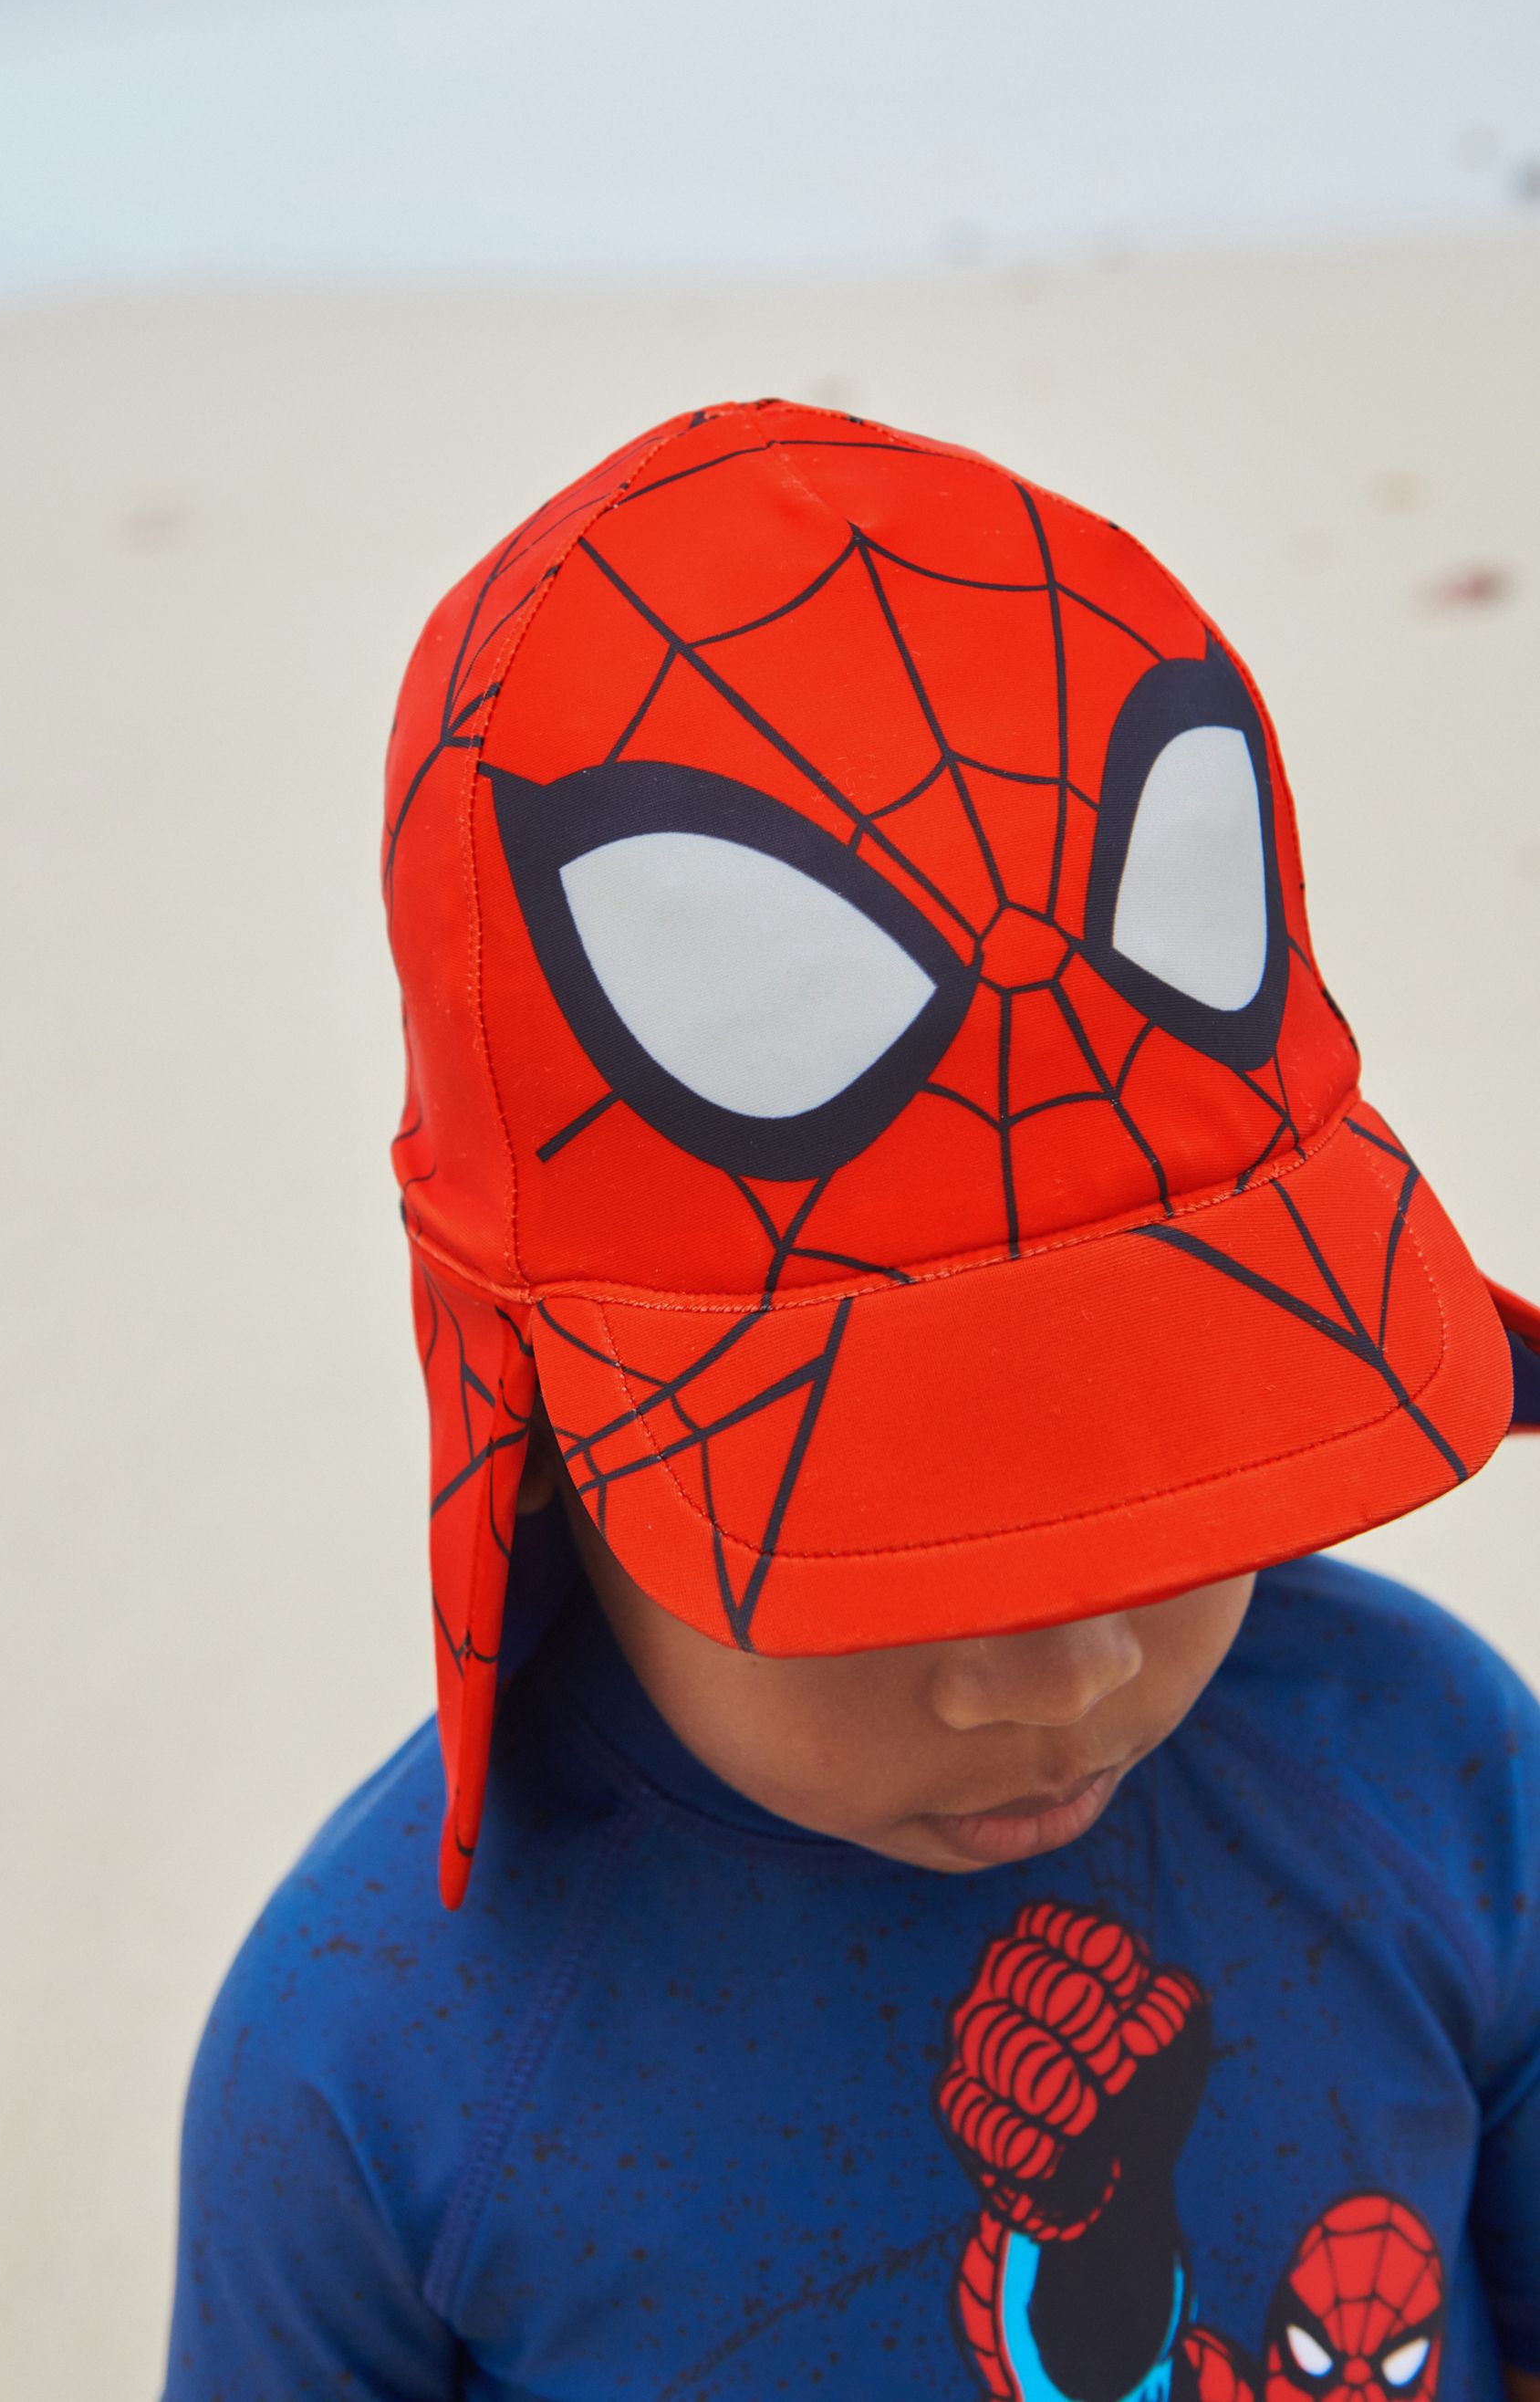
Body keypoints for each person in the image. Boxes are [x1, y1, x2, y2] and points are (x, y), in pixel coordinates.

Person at [161, 401, 1540, 2402]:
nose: (1063, 1670)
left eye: (1169, 1471)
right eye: (899, 1534)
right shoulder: (378, 2071)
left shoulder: (1439, 1780)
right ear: (536, 1422)